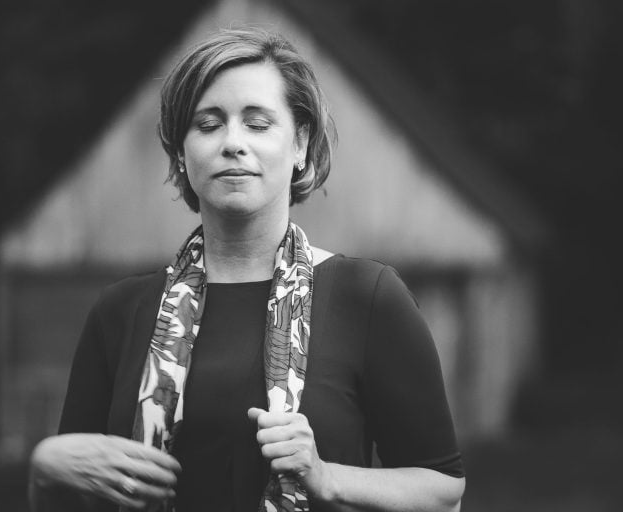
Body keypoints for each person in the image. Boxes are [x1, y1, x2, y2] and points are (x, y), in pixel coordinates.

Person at [29, 27, 466, 512]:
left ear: (300, 144)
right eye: (208, 124)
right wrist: (45, 469)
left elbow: (443, 495)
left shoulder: (367, 297)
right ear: (180, 152)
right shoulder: (121, 312)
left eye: (257, 124)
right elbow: (70, 496)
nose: (233, 142)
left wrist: (326, 477)